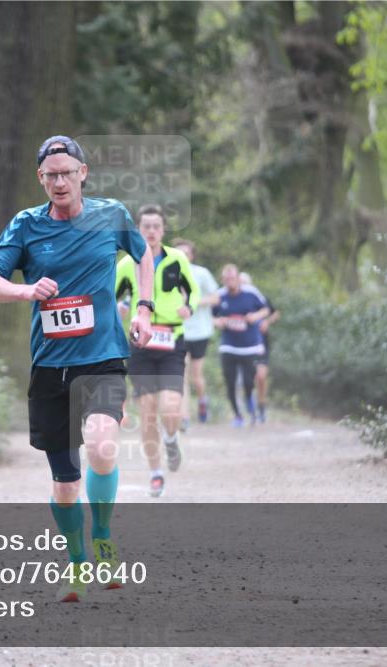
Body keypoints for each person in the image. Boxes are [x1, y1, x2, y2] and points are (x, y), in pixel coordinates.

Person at [0, 135, 154, 602]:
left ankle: (103, 537)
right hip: (51, 366)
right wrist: (26, 290)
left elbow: (143, 256)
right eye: (51, 175)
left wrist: (144, 309)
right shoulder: (26, 226)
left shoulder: (111, 214)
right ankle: (77, 564)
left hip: (103, 358)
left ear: (83, 174)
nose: (60, 182)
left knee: (101, 444)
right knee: (65, 483)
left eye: (67, 173)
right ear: (41, 178)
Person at [114, 205, 199, 497]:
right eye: (146, 226)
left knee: (170, 408)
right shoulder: (127, 263)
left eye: (156, 226)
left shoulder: (177, 259)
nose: (151, 231)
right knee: (148, 412)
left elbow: (193, 291)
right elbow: (110, 295)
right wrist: (117, 312)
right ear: (138, 230)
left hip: (171, 340)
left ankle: (171, 439)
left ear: (163, 230)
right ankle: (156, 473)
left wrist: (189, 308)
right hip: (141, 344)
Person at [212, 264, 270, 427]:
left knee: (248, 381)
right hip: (228, 346)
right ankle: (238, 415)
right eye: (226, 279)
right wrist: (219, 322)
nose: (230, 281)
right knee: (230, 382)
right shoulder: (219, 296)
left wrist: (255, 316)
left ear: (238, 278)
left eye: (232, 278)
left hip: (249, 346)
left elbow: (266, 309)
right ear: (223, 280)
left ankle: (249, 399)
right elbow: (210, 317)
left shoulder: (251, 293)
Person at [171, 238, 219, 426]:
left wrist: (193, 302)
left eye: (186, 253)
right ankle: (185, 416)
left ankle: (202, 401)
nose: (182, 256)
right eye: (178, 253)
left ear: (192, 256)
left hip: (200, 331)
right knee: (181, 374)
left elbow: (216, 298)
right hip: (178, 330)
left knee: (196, 376)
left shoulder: (201, 273)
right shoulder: (168, 273)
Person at [238, 272, 280, 423]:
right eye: (240, 283)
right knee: (247, 378)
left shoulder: (260, 298)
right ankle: (249, 406)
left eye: (245, 283)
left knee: (261, 377)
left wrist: (266, 322)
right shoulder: (234, 300)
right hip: (242, 345)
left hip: (261, 343)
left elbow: (275, 313)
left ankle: (262, 405)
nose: (242, 286)